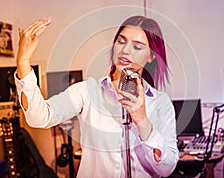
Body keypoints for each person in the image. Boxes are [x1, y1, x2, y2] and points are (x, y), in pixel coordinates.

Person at [15, 15, 179, 178]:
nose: (125, 50)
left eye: (137, 46)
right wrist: (23, 62)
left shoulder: (160, 102)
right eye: (121, 41)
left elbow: (165, 169)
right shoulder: (87, 91)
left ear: (151, 56)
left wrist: (142, 121)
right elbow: (38, 117)